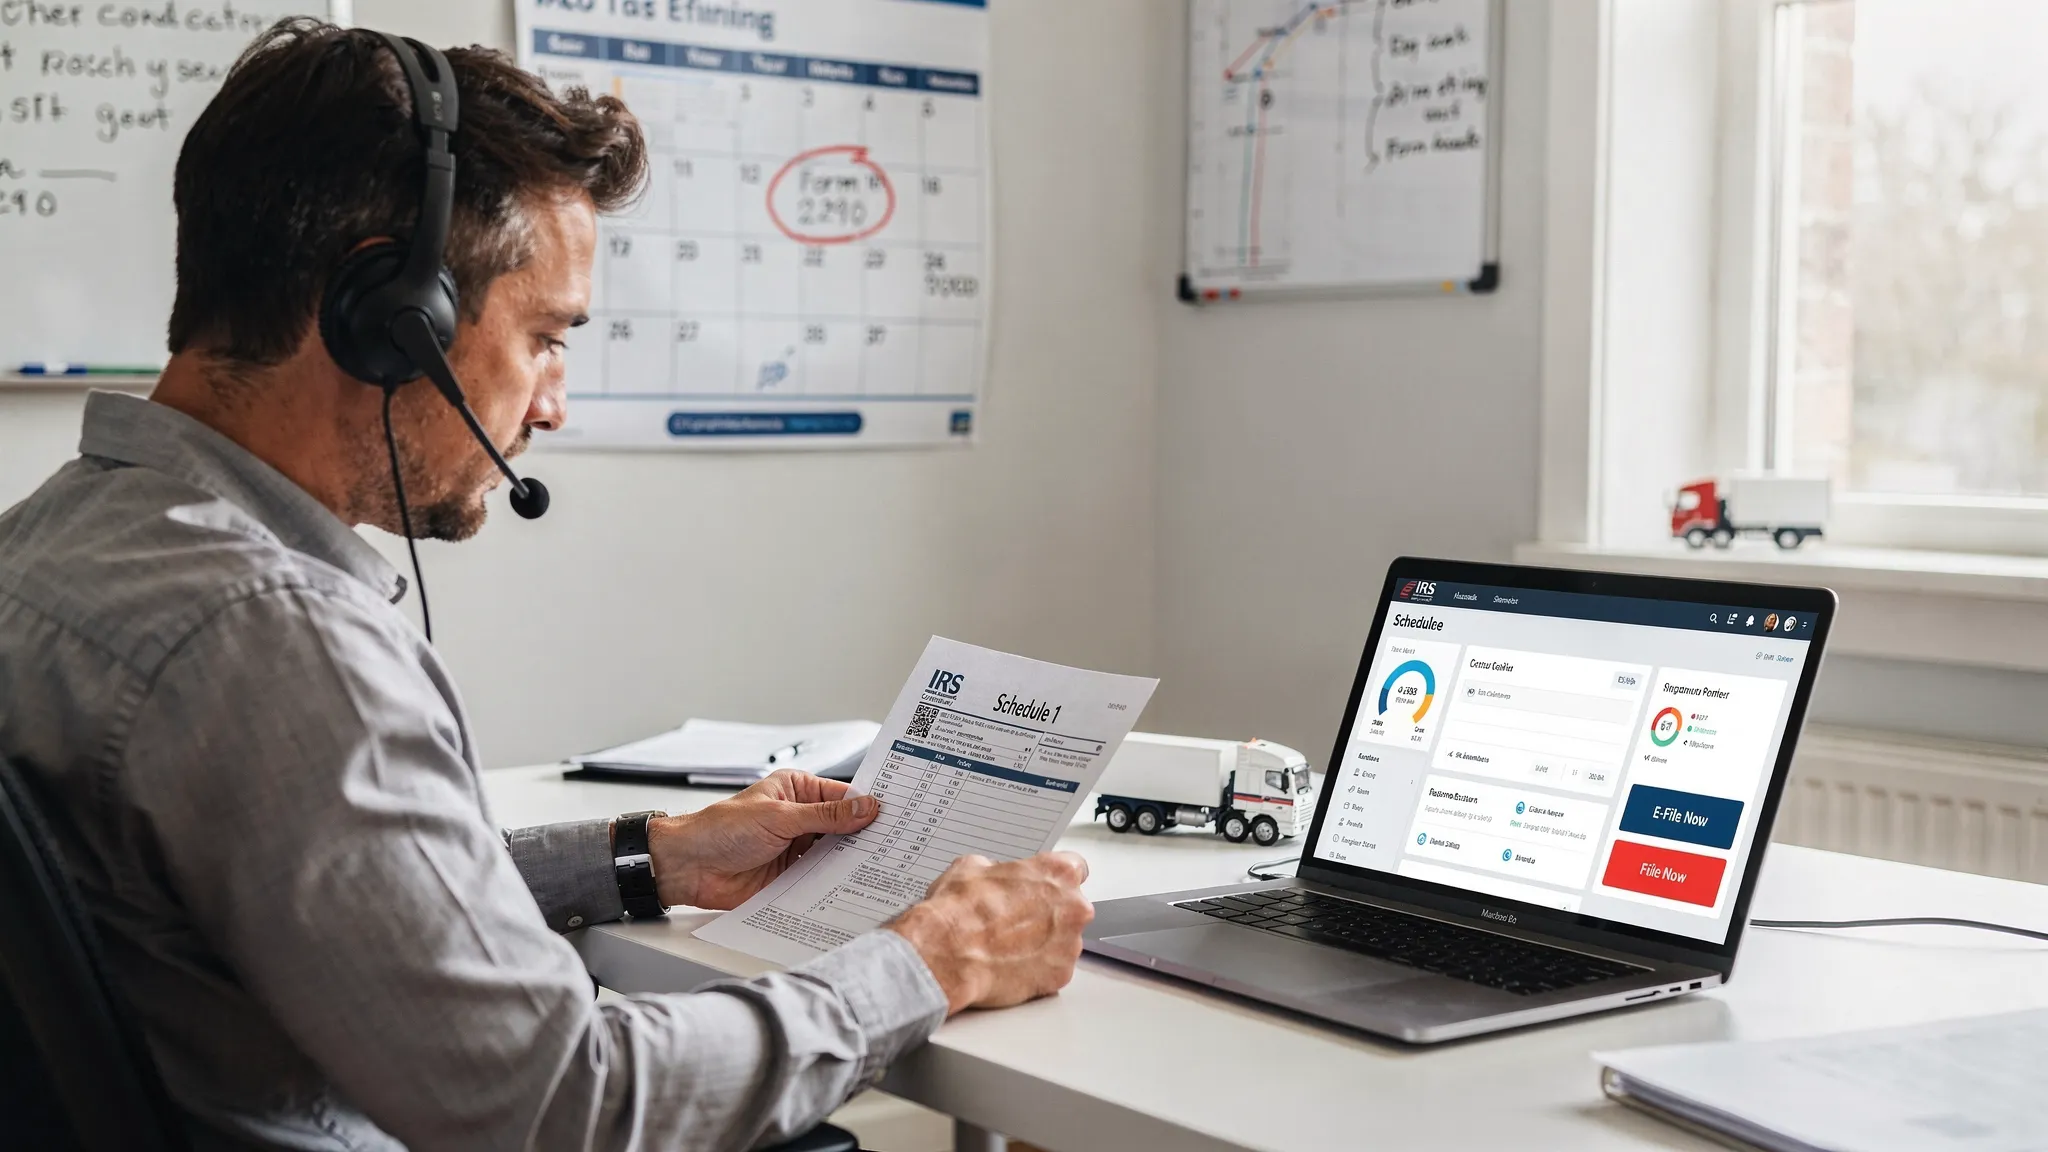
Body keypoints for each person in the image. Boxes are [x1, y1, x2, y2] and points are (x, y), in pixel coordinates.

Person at [0, 20, 1093, 1152]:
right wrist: (929, 961)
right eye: (545, 336)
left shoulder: (48, 551)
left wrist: (647, 855)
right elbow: (567, 1105)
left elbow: (338, 906)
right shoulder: (276, 643)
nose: (553, 404)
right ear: (388, 320)